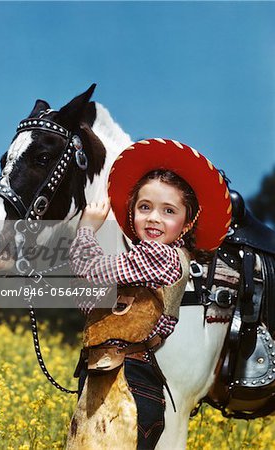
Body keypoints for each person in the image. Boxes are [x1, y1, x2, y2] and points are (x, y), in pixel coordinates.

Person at [68, 138, 232, 449]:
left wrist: (87, 228)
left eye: (168, 210)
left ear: (186, 224)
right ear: (131, 214)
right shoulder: (139, 263)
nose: (154, 217)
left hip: (132, 382)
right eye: (145, 207)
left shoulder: (161, 256)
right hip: (105, 378)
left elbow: (90, 271)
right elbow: (88, 298)